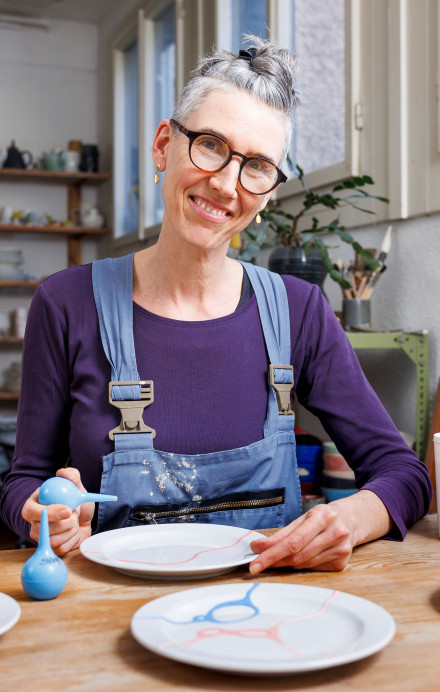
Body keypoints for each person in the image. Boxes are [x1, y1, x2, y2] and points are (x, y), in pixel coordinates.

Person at [0, 36, 431, 572]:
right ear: (163, 145)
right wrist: (41, 512)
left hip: (263, 620)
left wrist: (351, 518)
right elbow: (21, 482)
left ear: (270, 191)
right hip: (107, 618)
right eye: (210, 144)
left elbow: (404, 473)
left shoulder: (299, 312)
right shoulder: (65, 304)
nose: (227, 184)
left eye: (257, 166)